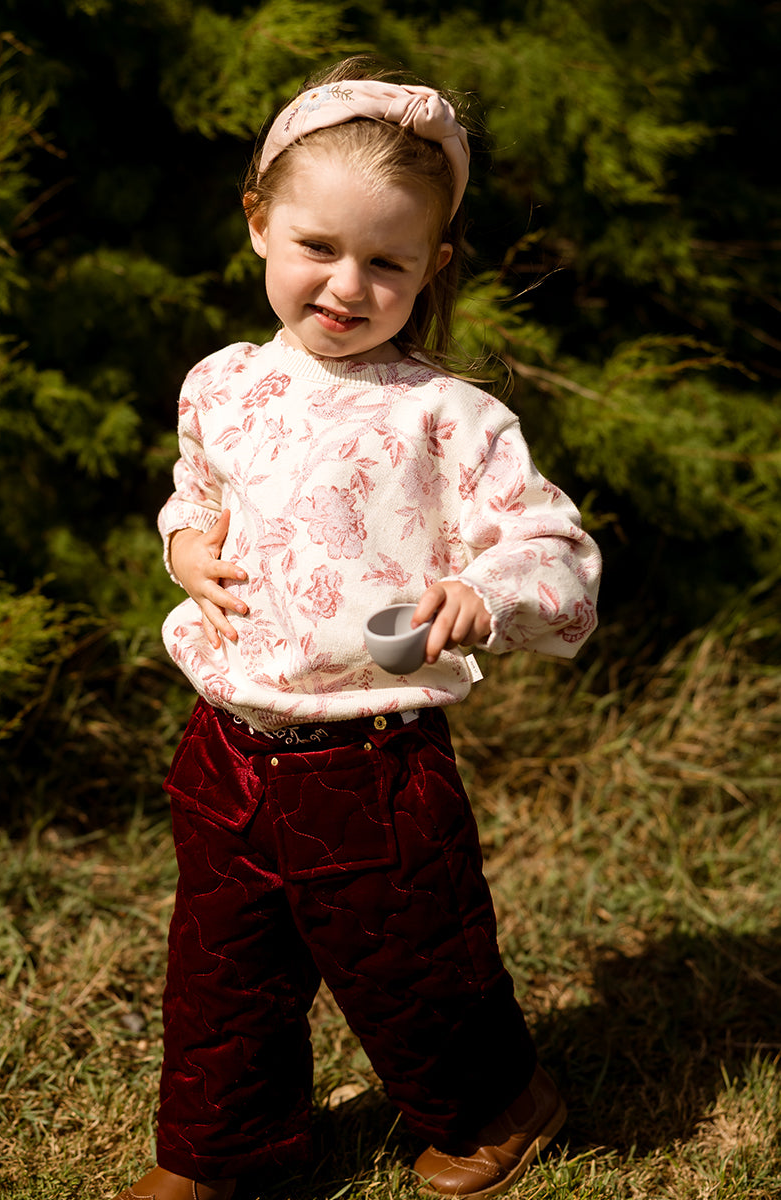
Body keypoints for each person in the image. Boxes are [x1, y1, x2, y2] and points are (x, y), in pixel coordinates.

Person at [114, 56, 601, 1200]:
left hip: (371, 758)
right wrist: (182, 547)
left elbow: (558, 554)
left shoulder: (448, 416)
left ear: (433, 267)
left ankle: (499, 1103)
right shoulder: (223, 384)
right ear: (258, 224)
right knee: (222, 969)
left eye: (386, 262)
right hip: (228, 743)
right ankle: (220, 1150)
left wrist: (489, 595)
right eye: (318, 247)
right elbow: (194, 497)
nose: (347, 285)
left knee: (414, 959)